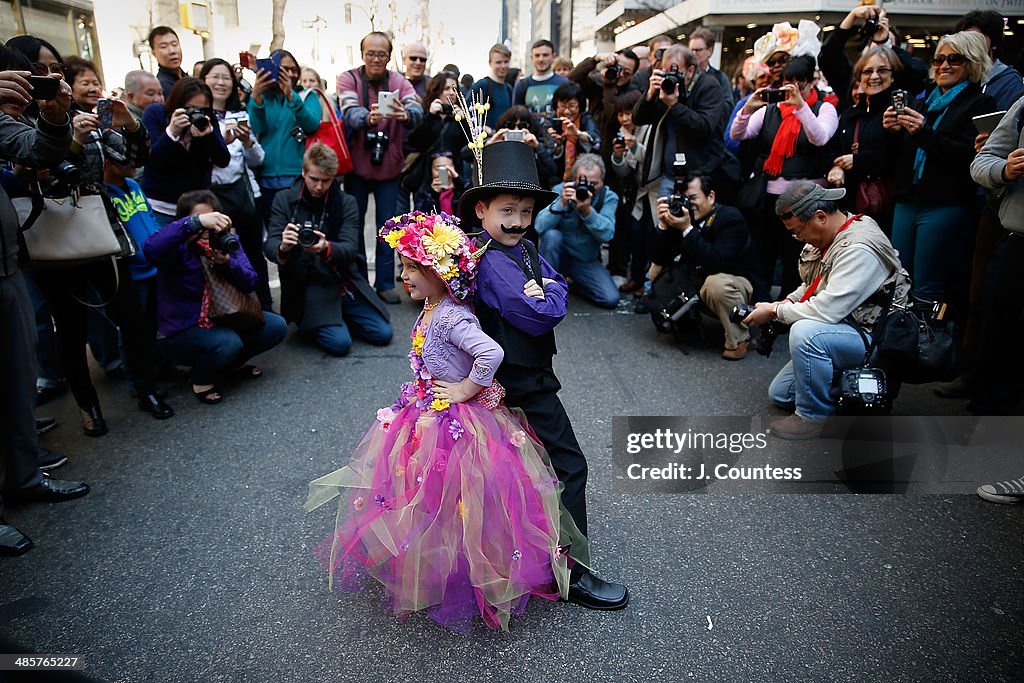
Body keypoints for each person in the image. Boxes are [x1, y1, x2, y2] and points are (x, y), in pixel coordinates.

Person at [305, 210, 590, 632]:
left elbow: (490, 353)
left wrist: (464, 389)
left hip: (457, 419)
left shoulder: (452, 315)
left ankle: (483, 570)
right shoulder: (434, 307)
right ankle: (447, 563)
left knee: (468, 496)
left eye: (413, 267)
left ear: (440, 271)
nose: (404, 276)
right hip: (428, 413)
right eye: (402, 267)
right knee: (436, 496)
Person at [464, 140, 629, 610]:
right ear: (481, 209)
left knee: (528, 469)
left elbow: (556, 282)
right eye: (506, 210)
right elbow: (541, 313)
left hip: (529, 376)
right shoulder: (493, 260)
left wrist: (550, 286)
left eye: (526, 210)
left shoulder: (523, 247)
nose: (517, 221)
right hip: (522, 382)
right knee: (567, 465)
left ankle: (534, 554)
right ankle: (569, 574)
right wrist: (551, 292)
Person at [0, 65, 90, 557]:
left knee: (18, 378)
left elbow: (36, 150)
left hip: (7, 265)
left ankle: (24, 476)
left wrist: (55, 118)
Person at [742, 183, 910, 440]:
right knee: (781, 394)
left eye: (798, 231)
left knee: (806, 333)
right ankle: (845, 390)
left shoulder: (858, 248)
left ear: (820, 217)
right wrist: (780, 304)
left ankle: (812, 418)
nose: (797, 238)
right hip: (845, 328)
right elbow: (812, 287)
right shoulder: (831, 236)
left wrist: (776, 311)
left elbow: (826, 310)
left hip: (874, 337)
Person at [143, 190, 287, 404]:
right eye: (200, 223)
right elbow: (150, 248)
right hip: (182, 331)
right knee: (228, 343)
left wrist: (227, 263)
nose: (205, 230)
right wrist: (193, 224)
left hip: (225, 319)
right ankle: (201, 378)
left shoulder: (225, 241)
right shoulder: (176, 250)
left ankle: (231, 364)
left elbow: (250, 281)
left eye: (211, 221)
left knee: (276, 326)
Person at [885, 32, 996, 304]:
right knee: (899, 279)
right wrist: (892, 130)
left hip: (946, 203)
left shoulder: (981, 103)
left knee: (927, 285)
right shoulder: (924, 101)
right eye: (938, 59)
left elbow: (967, 156)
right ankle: (900, 342)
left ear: (972, 63)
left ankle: (926, 342)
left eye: (954, 59)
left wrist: (921, 132)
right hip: (908, 199)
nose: (944, 66)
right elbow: (902, 155)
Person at [264, 143, 393, 356]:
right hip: (308, 283)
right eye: (314, 179)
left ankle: (336, 319)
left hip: (341, 278)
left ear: (334, 177)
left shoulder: (346, 202)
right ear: (303, 172)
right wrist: (283, 246)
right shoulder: (285, 200)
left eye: (326, 180)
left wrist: (326, 247)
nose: (319, 186)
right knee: (340, 345)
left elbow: (351, 248)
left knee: (383, 333)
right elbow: (269, 246)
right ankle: (318, 321)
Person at [730, 53, 838, 298]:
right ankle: (760, 307)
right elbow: (738, 134)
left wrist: (801, 107)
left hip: (805, 203)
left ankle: (789, 311)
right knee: (762, 256)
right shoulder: (771, 110)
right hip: (768, 200)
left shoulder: (825, 108)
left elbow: (819, 137)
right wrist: (747, 108)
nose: (794, 87)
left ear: (812, 82)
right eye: (789, 81)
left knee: (796, 260)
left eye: (800, 82)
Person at [338, 32, 424, 305]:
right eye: (371, 53)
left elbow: (416, 107)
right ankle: (360, 281)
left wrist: (406, 114)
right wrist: (368, 117)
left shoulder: (398, 80)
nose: (376, 58)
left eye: (382, 54)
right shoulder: (348, 78)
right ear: (362, 54)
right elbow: (349, 110)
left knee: (388, 229)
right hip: (356, 167)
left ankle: (385, 283)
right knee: (355, 224)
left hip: (389, 167)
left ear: (389, 56)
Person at [650, 174, 764, 360]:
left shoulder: (730, 218)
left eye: (693, 198)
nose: (688, 204)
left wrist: (687, 230)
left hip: (739, 283)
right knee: (656, 269)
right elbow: (658, 258)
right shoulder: (682, 216)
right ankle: (686, 321)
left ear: (710, 196)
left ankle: (739, 340)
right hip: (700, 278)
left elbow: (717, 261)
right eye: (683, 199)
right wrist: (663, 225)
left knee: (715, 284)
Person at [967, 93, 1024, 416]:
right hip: (1017, 237)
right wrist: (1005, 169)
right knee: (999, 326)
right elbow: (982, 163)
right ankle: (991, 405)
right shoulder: (1023, 106)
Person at [201, 58, 272, 310]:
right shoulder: (199, 118)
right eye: (214, 77)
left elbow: (258, 160)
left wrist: (247, 142)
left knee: (254, 253)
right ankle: (231, 309)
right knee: (223, 255)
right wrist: (219, 140)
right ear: (203, 80)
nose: (221, 83)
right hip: (212, 200)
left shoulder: (241, 114)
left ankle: (263, 308)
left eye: (226, 77)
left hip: (245, 196)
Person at [633, 45, 728, 208]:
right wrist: (649, 95)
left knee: (694, 225)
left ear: (690, 71)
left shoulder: (709, 87)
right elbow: (638, 118)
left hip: (699, 178)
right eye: (665, 71)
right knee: (664, 224)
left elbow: (704, 127)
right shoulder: (665, 89)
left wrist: (674, 106)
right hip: (669, 176)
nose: (670, 77)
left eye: (675, 71)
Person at [827, 47, 903, 235]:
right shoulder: (851, 113)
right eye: (868, 71)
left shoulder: (900, 112)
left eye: (882, 70)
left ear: (893, 75)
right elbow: (834, 148)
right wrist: (836, 166)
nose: (874, 76)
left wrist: (858, 161)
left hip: (889, 206)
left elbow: (899, 156)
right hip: (853, 204)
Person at [248, 50, 322, 232]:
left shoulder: (307, 96)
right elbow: (256, 128)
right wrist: (256, 96)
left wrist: (292, 97)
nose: (289, 74)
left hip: (299, 176)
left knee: (302, 231)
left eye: (293, 69)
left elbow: (312, 124)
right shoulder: (263, 97)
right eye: (283, 70)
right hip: (267, 178)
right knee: (276, 233)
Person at [535, 154, 620, 309]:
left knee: (610, 298)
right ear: (574, 180)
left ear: (602, 182)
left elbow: (607, 235)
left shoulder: (608, 197)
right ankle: (544, 290)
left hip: (584, 259)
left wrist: (587, 211)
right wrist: (561, 204)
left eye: (594, 183)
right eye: (583, 182)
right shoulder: (562, 190)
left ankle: (575, 285)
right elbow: (539, 226)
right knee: (552, 235)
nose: (588, 188)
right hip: (558, 255)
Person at [141, 77, 230, 224]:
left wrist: (208, 136)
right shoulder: (156, 114)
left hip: (196, 209)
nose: (197, 113)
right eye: (191, 108)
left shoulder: (207, 119)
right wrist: (171, 133)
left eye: (203, 109)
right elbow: (152, 160)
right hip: (160, 208)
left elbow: (223, 160)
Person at [819, 4, 928, 112]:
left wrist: (885, 43)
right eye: (875, 42)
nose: (874, 77)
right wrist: (852, 16)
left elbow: (920, 73)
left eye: (888, 43)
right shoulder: (852, 76)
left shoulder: (903, 79)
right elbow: (829, 56)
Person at [956, 10, 1024, 109]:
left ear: (994, 43)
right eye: (965, 38)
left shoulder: (1009, 82)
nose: (970, 43)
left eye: (977, 38)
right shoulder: (957, 76)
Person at [546, 82, 601, 183]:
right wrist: (558, 145)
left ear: (580, 106)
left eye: (571, 106)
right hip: (557, 178)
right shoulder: (551, 122)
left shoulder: (585, 119)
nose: (567, 112)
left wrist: (577, 134)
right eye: (562, 106)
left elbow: (595, 140)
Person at [513, 39, 568, 116]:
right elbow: (517, 115)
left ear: (553, 57)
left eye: (545, 55)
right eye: (537, 55)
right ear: (532, 58)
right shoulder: (522, 85)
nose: (541, 59)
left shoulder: (564, 83)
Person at [689, 27, 734, 111]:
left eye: (698, 50)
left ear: (709, 51)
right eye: (692, 50)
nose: (694, 54)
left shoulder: (720, 78)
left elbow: (728, 107)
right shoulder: (685, 75)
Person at [471, 44, 514, 129]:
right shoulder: (482, 85)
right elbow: (467, 113)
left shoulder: (509, 88)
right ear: (490, 63)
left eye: (506, 62)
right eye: (498, 62)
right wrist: (482, 127)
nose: (503, 66)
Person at [148, 26, 187, 98]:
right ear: (153, 53)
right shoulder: (162, 86)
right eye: (163, 46)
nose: (172, 51)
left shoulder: (186, 78)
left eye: (174, 44)